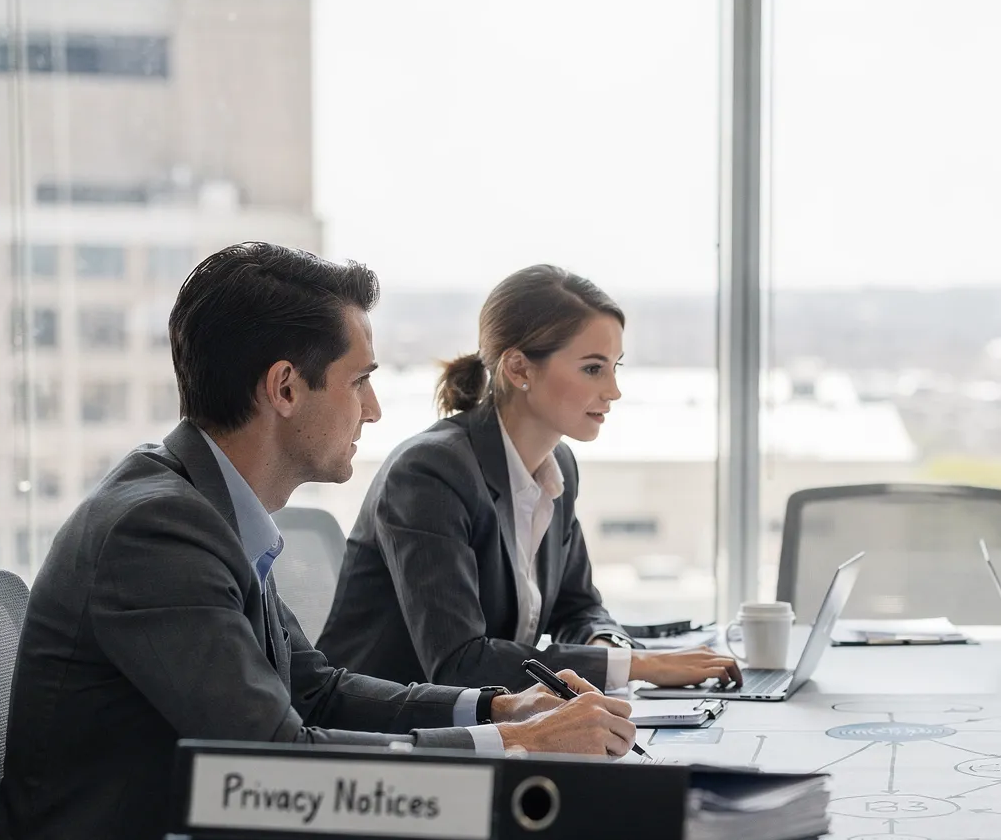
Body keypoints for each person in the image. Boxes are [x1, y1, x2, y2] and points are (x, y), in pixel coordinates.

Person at [0, 243, 638, 840]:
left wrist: (500, 704)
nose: (372, 412)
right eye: (360, 381)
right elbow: (277, 757)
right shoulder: (155, 530)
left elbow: (317, 686)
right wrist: (512, 744)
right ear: (285, 388)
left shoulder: (206, 510)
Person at [316, 265, 740, 692]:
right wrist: (640, 667)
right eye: (593, 369)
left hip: (498, 725)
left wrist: (608, 645)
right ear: (519, 369)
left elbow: (578, 608)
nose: (614, 390)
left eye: (616, 367)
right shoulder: (428, 473)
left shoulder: (559, 467)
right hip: (388, 737)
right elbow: (461, 663)